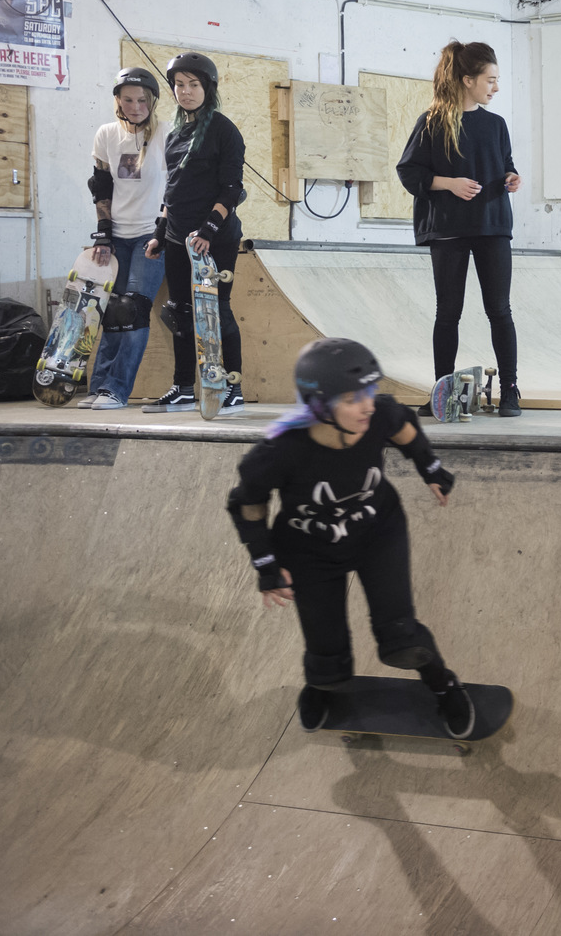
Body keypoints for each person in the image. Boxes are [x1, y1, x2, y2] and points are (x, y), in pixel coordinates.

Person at [226, 338, 477, 737]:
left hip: (378, 531)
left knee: (401, 637)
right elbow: (247, 505)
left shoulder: (379, 416)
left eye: (369, 392)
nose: (367, 406)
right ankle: (322, 684)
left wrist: (430, 468)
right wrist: (265, 564)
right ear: (319, 405)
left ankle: (444, 684)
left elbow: (405, 429)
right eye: (352, 398)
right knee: (327, 657)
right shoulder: (278, 451)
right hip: (308, 550)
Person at [395, 40, 524, 417]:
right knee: (448, 312)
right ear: (468, 80)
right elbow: (410, 172)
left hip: (492, 225)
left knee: (499, 310)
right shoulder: (432, 122)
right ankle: (442, 392)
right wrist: (448, 183)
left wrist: (512, 178)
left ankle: (511, 391)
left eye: (497, 80)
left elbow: (505, 164)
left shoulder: (495, 125)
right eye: (491, 80)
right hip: (449, 228)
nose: (495, 87)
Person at [142, 51, 246, 413]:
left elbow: (231, 189)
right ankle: (184, 387)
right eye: (179, 85)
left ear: (208, 88)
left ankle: (233, 388)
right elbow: (173, 192)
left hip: (215, 237)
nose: (185, 92)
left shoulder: (224, 130)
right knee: (180, 311)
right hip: (177, 237)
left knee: (218, 309)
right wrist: (159, 233)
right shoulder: (174, 136)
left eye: (193, 85)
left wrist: (208, 230)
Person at [79, 68, 168, 409]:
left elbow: (175, 187)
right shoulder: (106, 134)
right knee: (114, 311)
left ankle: (117, 390)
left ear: (152, 101)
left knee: (133, 310)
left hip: (151, 234)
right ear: (118, 100)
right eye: (128, 100)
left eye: (142, 100)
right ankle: (99, 387)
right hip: (118, 235)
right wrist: (104, 234)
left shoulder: (166, 134)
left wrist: (163, 229)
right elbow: (101, 185)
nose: (135, 107)